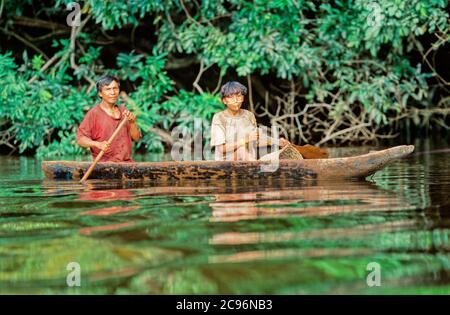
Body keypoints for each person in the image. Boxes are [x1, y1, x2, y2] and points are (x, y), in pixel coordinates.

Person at [210, 81, 290, 161]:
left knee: (279, 154)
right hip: (226, 163)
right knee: (241, 150)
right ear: (224, 101)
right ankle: (256, 169)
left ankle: (255, 166)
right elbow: (221, 149)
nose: (235, 100)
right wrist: (245, 140)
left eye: (238, 96)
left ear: (243, 98)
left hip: (248, 159)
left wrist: (278, 142)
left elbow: (255, 142)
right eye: (231, 97)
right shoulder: (219, 118)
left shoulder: (249, 116)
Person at [77, 75, 141, 162]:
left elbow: (136, 138)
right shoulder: (94, 113)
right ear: (100, 93)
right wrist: (97, 144)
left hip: (127, 164)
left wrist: (132, 122)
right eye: (108, 89)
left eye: (115, 88)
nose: (113, 92)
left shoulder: (124, 111)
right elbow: (81, 139)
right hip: (104, 166)